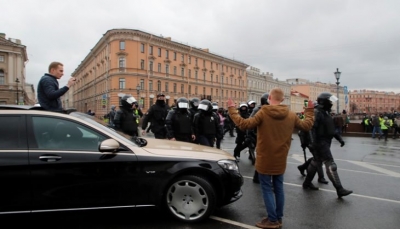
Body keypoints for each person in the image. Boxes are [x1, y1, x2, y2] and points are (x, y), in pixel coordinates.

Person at [227, 88, 314, 228]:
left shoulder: (263, 113)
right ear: (283, 99)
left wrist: (232, 109)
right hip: (281, 158)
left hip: (265, 158)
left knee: (267, 188)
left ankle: (272, 220)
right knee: (279, 188)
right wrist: (309, 110)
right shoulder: (291, 115)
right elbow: (307, 125)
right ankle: (278, 218)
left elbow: (244, 124)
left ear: (269, 98)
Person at [302, 92, 353, 198]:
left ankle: (306, 183)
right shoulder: (317, 112)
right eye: (329, 101)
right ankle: (339, 189)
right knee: (330, 164)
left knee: (316, 162)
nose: (331, 103)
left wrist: (339, 138)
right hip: (320, 142)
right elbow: (311, 128)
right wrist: (312, 143)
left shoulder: (325, 113)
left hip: (325, 141)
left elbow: (330, 128)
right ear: (323, 102)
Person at [297, 101, 329, 185]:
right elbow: (303, 130)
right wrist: (306, 142)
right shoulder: (306, 115)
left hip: (314, 140)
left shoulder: (317, 114)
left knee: (317, 158)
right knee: (318, 158)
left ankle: (303, 167)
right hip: (309, 140)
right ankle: (320, 177)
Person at [248, 92, 269, 183]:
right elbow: (250, 121)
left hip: (267, 135)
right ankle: (258, 177)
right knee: (263, 156)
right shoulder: (258, 109)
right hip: (258, 135)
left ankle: (257, 176)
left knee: (264, 157)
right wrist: (250, 135)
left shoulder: (270, 109)